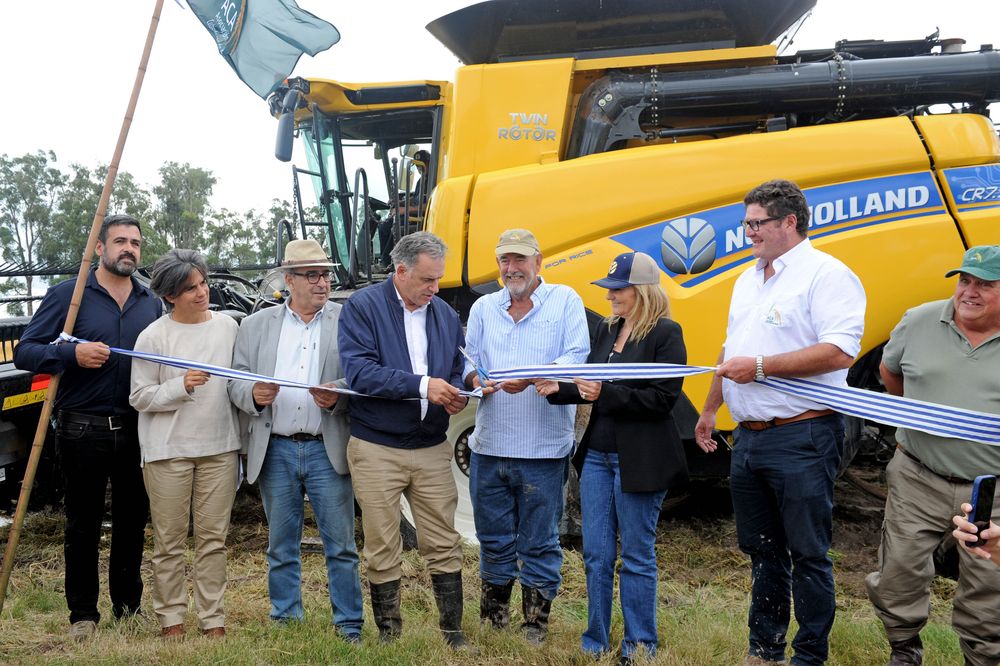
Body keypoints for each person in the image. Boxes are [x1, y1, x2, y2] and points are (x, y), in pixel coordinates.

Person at [693, 179, 866, 666]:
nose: (748, 232)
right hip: (749, 437)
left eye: (757, 223)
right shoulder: (747, 279)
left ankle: (809, 656)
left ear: (790, 222)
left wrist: (762, 368)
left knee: (808, 553)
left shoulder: (826, 275)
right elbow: (731, 350)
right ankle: (764, 650)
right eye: (746, 223)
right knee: (762, 550)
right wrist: (710, 408)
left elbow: (840, 350)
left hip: (803, 434)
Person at [13, 213, 162, 640]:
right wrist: (70, 356)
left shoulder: (150, 302)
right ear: (100, 248)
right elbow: (26, 351)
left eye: (135, 242)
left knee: (133, 522)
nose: (128, 249)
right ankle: (83, 615)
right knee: (83, 524)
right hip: (82, 429)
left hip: (136, 427)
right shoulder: (70, 295)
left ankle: (128, 608)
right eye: (120, 241)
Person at [538, 250, 687, 662]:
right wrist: (558, 389)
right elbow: (592, 386)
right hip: (598, 458)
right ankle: (595, 642)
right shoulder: (608, 330)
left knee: (636, 555)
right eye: (609, 289)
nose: (610, 296)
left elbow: (663, 399)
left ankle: (640, 645)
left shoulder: (666, 334)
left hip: (640, 460)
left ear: (643, 291)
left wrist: (607, 393)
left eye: (618, 289)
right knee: (596, 555)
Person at [338, 231, 474, 651]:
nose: (436, 288)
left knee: (444, 540)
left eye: (438, 279)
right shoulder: (362, 307)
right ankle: (389, 635)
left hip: (431, 446)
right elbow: (360, 373)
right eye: (427, 280)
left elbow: (455, 366)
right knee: (382, 543)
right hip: (377, 447)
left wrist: (458, 388)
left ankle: (453, 634)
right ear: (400, 271)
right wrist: (423, 386)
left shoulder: (444, 315)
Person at [865, 245, 1000, 666]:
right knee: (898, 572)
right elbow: (891, 374)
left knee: (989, 584)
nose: (969, 292)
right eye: (964, 280)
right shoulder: (918, 320)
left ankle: (982, 657)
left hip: (992, 488)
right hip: (918, 474)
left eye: (985, 284)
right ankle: (904, 649)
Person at [227, 239, 363, 642]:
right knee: (281, 543)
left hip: (327, 446)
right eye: (312, 275)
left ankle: (349, 625)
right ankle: (286, 619)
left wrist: (339, 394)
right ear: (289, 280)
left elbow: (364, 374)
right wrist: (253, 394)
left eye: (326, 275)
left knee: (341, 544)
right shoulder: (255, 325)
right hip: (276, 448)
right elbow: (235, 378)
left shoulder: (349, 320)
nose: (323, 283)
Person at [461, 228, 589, 644]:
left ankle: (535, 625)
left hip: (544, 448)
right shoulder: (484, 308)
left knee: (540, 541)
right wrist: (475, 379)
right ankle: (494, 621)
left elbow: (577, 358)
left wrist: (533, 375)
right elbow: (468, 361)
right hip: (489, 444)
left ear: (538, 261)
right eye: (505, 260)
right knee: (493, 538)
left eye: (519, 259)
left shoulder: (565, 300)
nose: (511, 268)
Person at [128, 249, 240, 639]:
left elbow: (239, 384)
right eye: (190, 288)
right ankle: (171, 620)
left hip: (220, 449)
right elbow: (139, 396)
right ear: (169, 295)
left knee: (213, 541)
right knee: (169, 542)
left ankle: (213, 619)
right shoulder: (152, 336)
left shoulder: (228, 327)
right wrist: (181, 386)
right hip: (167, 452)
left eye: (203, 283)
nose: (202, 292)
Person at [376, 149, 431, 271]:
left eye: (422, 165)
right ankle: (383, 261)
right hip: (412, 215)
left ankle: (390, 261)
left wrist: (404, 210)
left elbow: (427, 206)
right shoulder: (421, 181)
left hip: (422, 218)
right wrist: (400, 202)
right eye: (417, 166)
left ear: (429, 163)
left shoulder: (434, 180)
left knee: (398, 223)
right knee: (384, 226)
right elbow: (416, 199)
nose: (420, 168)